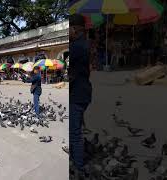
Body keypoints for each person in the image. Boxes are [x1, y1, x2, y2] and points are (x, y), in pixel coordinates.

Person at [69, 14, 92, 179]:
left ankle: (79, 167)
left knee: (74, 133)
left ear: (73, 29)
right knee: (74, 128)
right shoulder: (84, 44)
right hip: (84, 92)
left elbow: (71, 74)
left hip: (77, 94)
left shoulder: (76, 47)